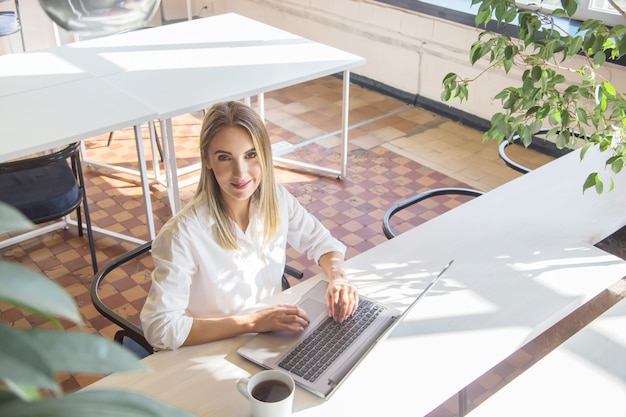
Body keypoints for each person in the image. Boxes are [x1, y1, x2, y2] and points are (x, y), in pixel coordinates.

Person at [140, 101, 359, 350]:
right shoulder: (182, 235)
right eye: (225, 158)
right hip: (210, 348)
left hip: (268, 337)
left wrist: (338, 278)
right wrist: (252, 322)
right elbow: (160, 328)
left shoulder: (276, 198)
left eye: (251, 154)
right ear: (207, 160)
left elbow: (321, 242)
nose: (241, 173)